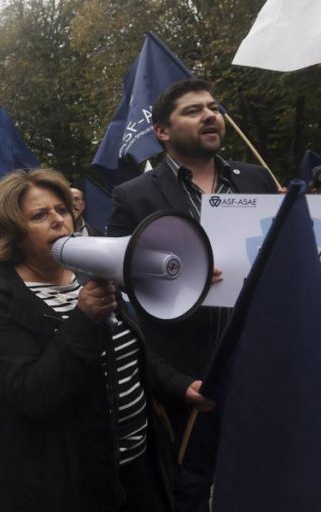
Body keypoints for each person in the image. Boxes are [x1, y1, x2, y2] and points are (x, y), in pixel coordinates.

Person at [0, 169, 211, 511]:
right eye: (40, 215)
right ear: (13, 232)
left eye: (62, 209)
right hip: (72, 481)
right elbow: (31, 394)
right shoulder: (2, 298)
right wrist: (84, 321)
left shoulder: (89, 270)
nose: (58, 220)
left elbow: (132, 351)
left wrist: (181, 386)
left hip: (139, 463)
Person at [107, 79, 280, 512]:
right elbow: (117, 276)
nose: (210, 114)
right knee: (189, 490)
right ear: (162, 131)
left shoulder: (256, 178)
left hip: (258, 365)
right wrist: (175, 274)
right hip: (187, 378)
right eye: (193, 110)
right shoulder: (134, 196)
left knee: (261, 481)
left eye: (214, 107)